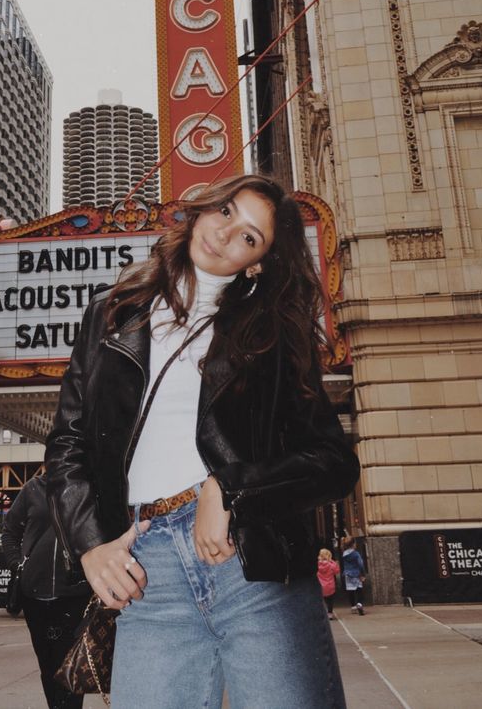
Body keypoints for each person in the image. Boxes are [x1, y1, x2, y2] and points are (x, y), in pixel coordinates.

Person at [46, 173, 361, 709]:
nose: (226, 232)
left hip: (251, 565)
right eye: (227, 211)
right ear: (205, 208)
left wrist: (230, 489)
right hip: (147, 571)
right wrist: (91, 543)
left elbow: (333, 462)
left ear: (256, 262)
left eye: (249, 237)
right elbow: (68, 443)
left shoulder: (274, 334)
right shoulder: (111, 311)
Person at [1, 474, 90, 709]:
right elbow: (9, 531)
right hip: (35, 595)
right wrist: (18, 565)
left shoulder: (85, 485)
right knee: (48, 667)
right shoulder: (32, 488)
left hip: (75, 594)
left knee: (70, 667)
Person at [342, 537, 366, 615]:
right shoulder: (356, 554)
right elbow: (360, 564)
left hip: (348, 574)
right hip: (356, 574)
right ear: (353, 544)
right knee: (359, 590)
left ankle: (353, 606)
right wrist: (362, 574)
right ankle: (359, 604)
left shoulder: (344, 553)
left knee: (350, 590)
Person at [317, 548, 341, 619]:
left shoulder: (317, 565)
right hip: (330, 586)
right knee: (330, 600)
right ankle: (330, 613)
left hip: (321, 586)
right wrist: (332, 561)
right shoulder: (331, 565)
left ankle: (323, 612)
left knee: (323, 600)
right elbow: (337, 571)